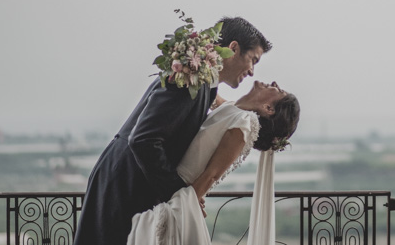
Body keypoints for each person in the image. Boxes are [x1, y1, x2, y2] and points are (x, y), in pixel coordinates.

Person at [73, 17, 272, 245]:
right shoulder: (189, 79)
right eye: (252, 60)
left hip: (134, 180)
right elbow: (143, 140)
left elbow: (221, 108)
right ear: (234, 48)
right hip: (124, 182)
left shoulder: (207, 84)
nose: (252, 72)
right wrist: (179, 194)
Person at [127, 80, 300, 245]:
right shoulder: (233, 108)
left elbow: (211, 175)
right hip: (164, 183)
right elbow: (209, 85)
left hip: (175, 193)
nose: (275, 84)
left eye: (280, 91)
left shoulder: (244, 123)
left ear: (268, 108)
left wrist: (181, 207)